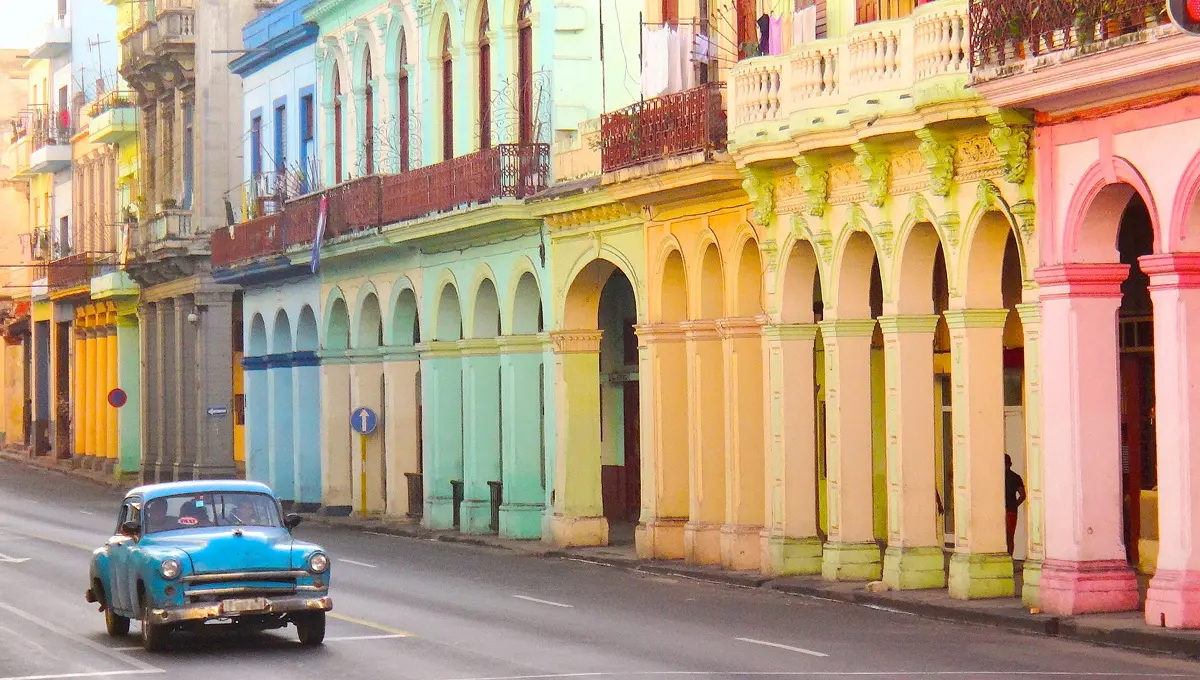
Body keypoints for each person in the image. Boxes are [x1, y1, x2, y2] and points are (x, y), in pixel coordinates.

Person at [1005, 454, 1027, 556]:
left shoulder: (995, 478)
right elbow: (1022, 495)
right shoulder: (1016, 477)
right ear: (1010, 464)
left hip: (999, 510)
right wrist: (1015, 505)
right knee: (1010, 536)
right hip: (1011, 510)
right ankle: (1009, 558)